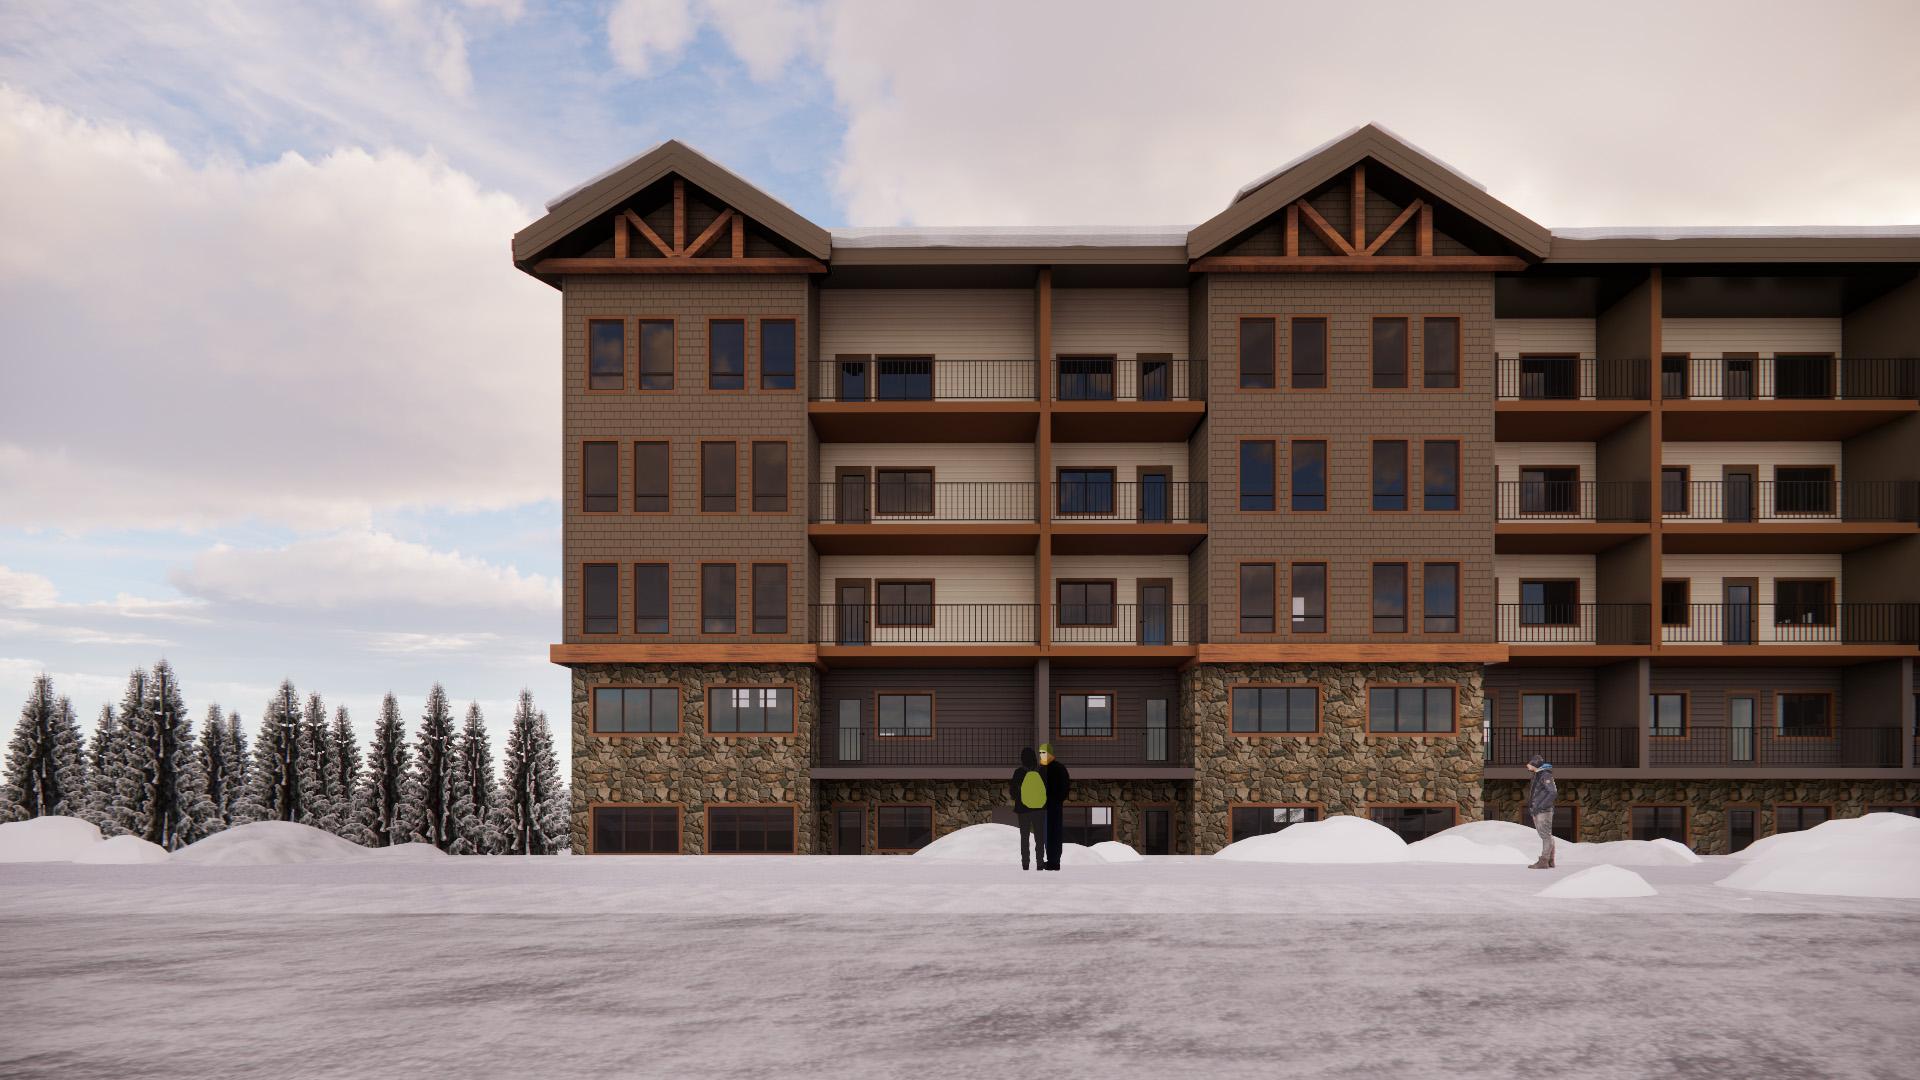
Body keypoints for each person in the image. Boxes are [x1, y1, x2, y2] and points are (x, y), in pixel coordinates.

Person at [1009, 747, 1047, 871]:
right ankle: (1040, 863)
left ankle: (1025, 864)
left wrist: (1020, 797)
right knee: (1039, 837)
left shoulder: (1018, 772)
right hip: (1040, 809)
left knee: (1024, 837)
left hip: (1023, 810)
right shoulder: (1042, 771)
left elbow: (1013, 792)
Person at [1038, 743, 1071, 871]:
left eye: (1044, 753)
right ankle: (1050, 860)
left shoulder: (1058, 768)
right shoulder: (1041, 769)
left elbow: (1064, 787)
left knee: (1054, 833)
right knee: (1046, 834)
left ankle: (1054, 862)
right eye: (1040, 753)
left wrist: (1056, 800)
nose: (1042, 756)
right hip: (1043, 806)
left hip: (1054, 807)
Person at [1525, 755, 1557, 869]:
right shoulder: (1538, 775)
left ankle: (1544, 861)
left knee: (1545, 835)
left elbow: (1552, 792)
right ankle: (1550, 860)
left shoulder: (1545, 775)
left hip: (1543, 811)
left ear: (1534, 764)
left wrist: (1540, 806)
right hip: (1538, 810)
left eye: (1529, 763)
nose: (1527, 765)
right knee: (1545, 835)